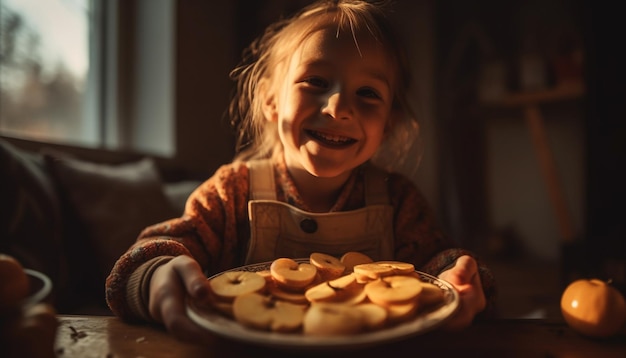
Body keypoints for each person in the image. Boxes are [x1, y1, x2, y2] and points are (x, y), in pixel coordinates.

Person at [106, 0, 496, 343]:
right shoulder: (232, 191)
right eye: (316, 81)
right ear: (271, 100)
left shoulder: (399, 201)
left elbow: (438, 267)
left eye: (368, 93)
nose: (338, 108)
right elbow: (140, 261)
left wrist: (461, 279)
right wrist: (155, 277)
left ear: (389, 123)